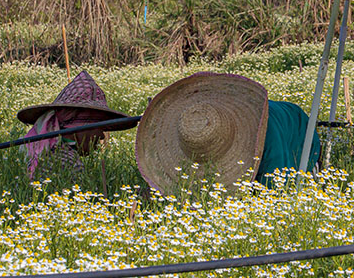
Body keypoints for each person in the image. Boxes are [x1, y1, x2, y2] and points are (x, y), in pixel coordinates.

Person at [135, 72, 319, 194]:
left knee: (291, 183)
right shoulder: (193, 125)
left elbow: (275, 192)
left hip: (296, 127)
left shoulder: (271, 143)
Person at [17, 70, 138, 178]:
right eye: (100, 128)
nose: (102, 136)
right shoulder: (69, 163)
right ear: (78, 128)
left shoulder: (39, 155)